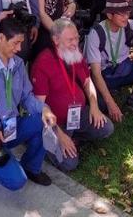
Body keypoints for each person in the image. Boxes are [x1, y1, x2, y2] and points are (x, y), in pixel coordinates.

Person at [30, 19, 113, 171]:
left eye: (77, 38)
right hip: (56, 122)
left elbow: (88, 82)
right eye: (70, 40)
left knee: (107, 128)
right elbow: (39, 108)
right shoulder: (43, 63)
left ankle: (74, 137)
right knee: (70, 164)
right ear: (56, 40)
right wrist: (60, 135)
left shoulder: (75, 53)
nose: (75, 43)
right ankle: (50, 144)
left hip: (78, 113)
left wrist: (94, 106)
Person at [0, 18, 56, 190]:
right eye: (16, 43)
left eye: (21, 43)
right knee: (17, 182)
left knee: (43, 121)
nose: (19, 49)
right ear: (1, 38)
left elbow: (27, 96)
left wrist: (45, 109)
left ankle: (31, 167)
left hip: (10, 128)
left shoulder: (17, 64)